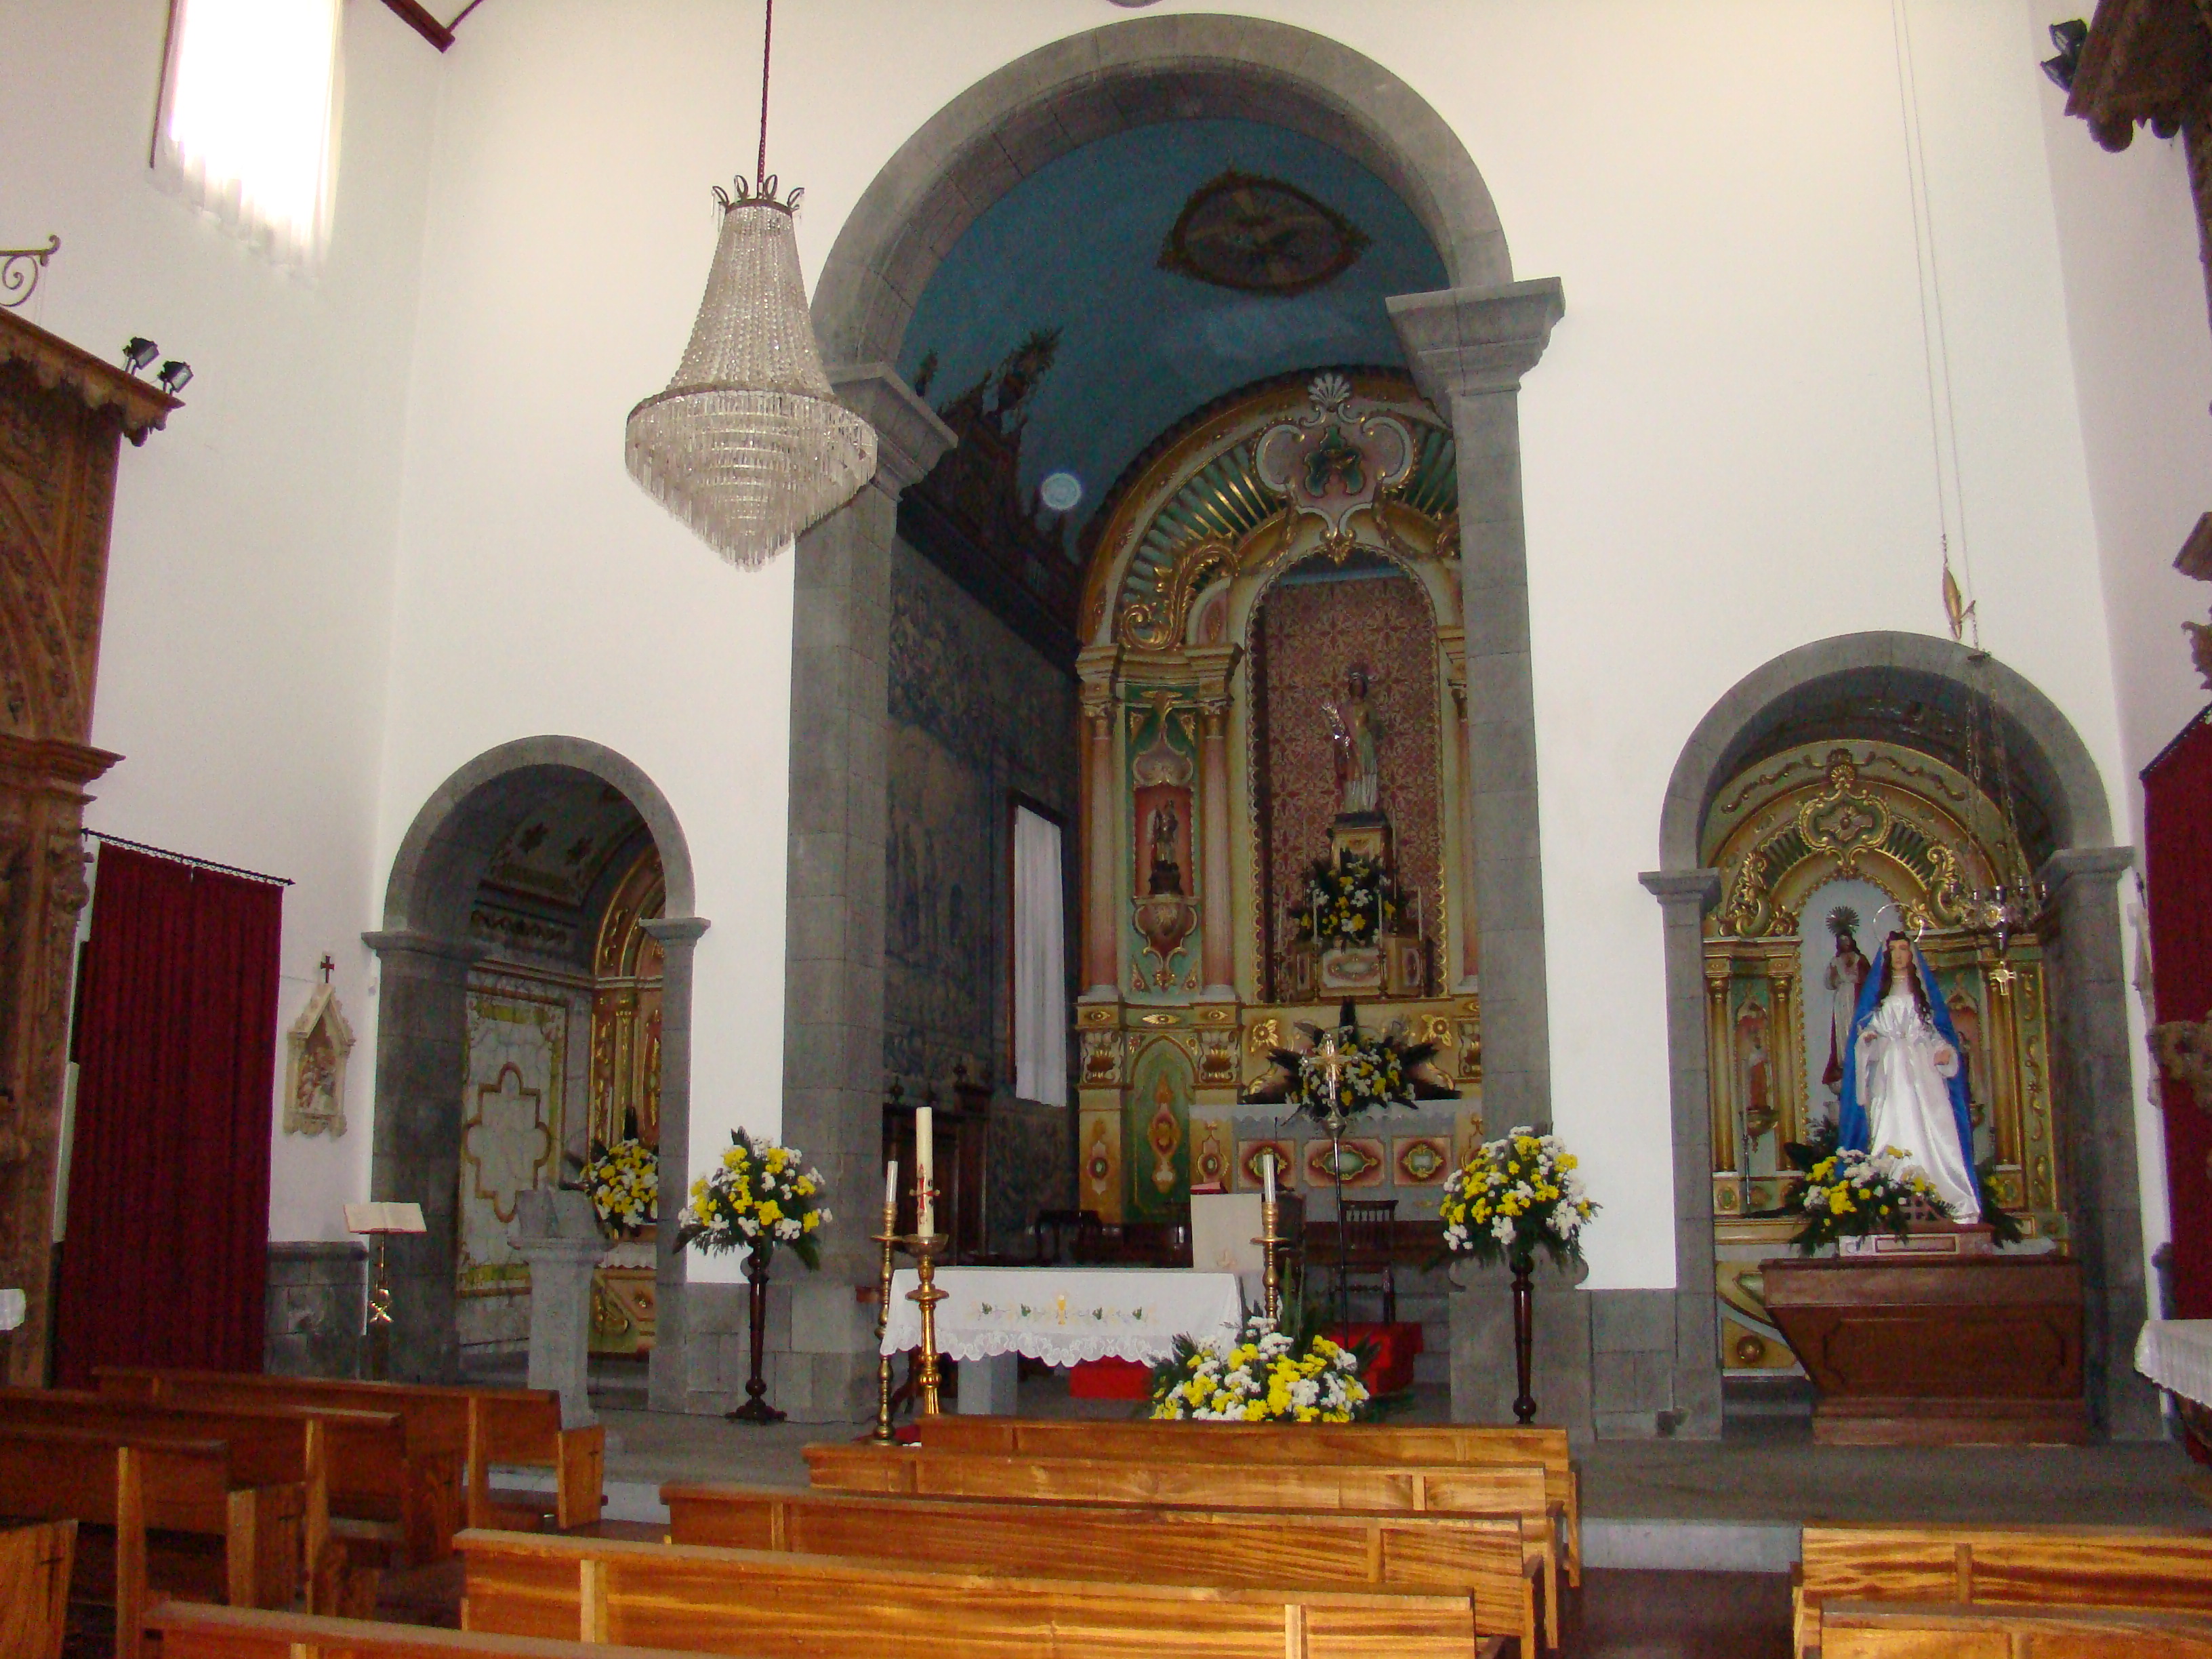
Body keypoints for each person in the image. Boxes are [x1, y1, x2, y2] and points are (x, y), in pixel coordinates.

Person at [1839, 930, 1980, 1221]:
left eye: (1904, 948)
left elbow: (1935, 1033)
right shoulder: (1880, 998)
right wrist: (1868, 1041)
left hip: (1922, 1072)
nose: (1899, 955)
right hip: (1889, 1072)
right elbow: (1868, 1033)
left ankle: (1939, 1192)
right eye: (1893, 950)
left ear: (1912, 954)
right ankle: (1890, 1192)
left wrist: (1944, 1052)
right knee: (1891, 1122)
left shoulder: (1922, 996)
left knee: (1931, 1128)